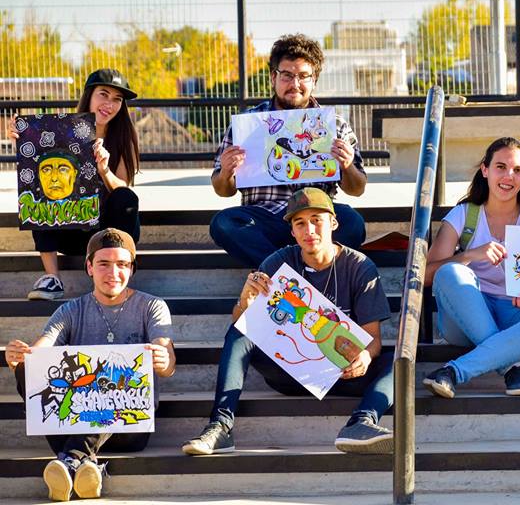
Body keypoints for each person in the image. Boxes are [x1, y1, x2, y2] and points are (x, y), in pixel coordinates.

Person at [182, 188, 394, 456]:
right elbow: (241, 323)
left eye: (317, 220)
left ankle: (361, 423)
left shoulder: (359, 266)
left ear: (333, 223)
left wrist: (364, 356)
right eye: (300, 223)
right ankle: (220, 427)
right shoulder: (280, 261)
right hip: (287, 370)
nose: (310, 230)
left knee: (398, 360)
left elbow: (373, 337)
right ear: (292, 232)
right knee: (240, 332)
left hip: (338, 374)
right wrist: (244, 302)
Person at [4, 228, 175, 501]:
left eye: (121, 264)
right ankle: (83, 467)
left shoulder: (151, 306)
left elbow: (166, 354)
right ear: (89, 267)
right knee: (29, 367)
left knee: (110, 374)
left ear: (132, 268)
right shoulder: (72, 310)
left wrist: (164, 361)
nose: (113, 273)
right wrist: (18, 358)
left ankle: (68, 460)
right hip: (73, 420)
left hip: (130, 425)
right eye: (104, 264)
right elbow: (42, 347)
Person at [421, 137, 520, 399]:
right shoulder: (464, 215)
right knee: (452, 272)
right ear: (485, 170)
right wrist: (472, 255)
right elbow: (427, 275)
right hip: (464, 318)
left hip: (514, 316)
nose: (508, 176)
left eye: (518, 170)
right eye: (501, 167)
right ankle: (511, 366)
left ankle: (453, 372)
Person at [209, 34, 367, 267]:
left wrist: (347, 166)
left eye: (303, 76)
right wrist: (226, 172)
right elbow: (222, 190)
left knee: (352, 223)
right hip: (265, 220)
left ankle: (279, 273)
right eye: (287, 76)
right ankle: (292, 273)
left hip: (314, 221)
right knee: (223, 223)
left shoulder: (334, 124)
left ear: (314, 80)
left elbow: (358, 189)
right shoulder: (248, 122)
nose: (295, 84)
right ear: (273, 77)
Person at [9, 68, 142, 300]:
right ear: (89, 95)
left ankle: (118, 272)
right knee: (37, 192)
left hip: (107, 231)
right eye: (103, 94)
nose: (109, 104)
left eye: (117, 99)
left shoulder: (123, 135)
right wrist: (22, 142)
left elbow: (123, 187)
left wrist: (104, 170)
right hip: (69, 227)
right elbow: (35, 169)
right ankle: (52, 278)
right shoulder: (60, 130)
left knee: (127, 198)